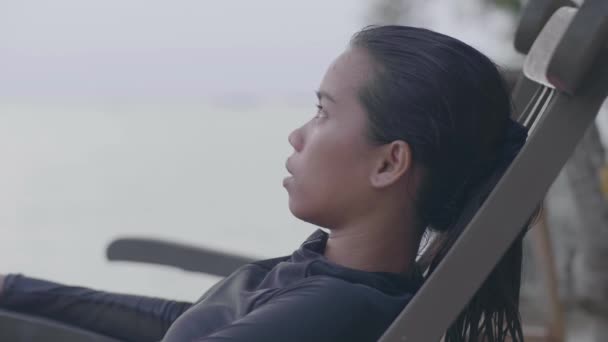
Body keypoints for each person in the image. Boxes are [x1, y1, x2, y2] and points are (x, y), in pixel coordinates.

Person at [0, 25, 539, 342]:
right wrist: (14, 288)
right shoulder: (328, 278)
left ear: (388, 164)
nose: (298, 134)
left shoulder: (333, 308)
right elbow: (184, 321)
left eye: (323, 113)